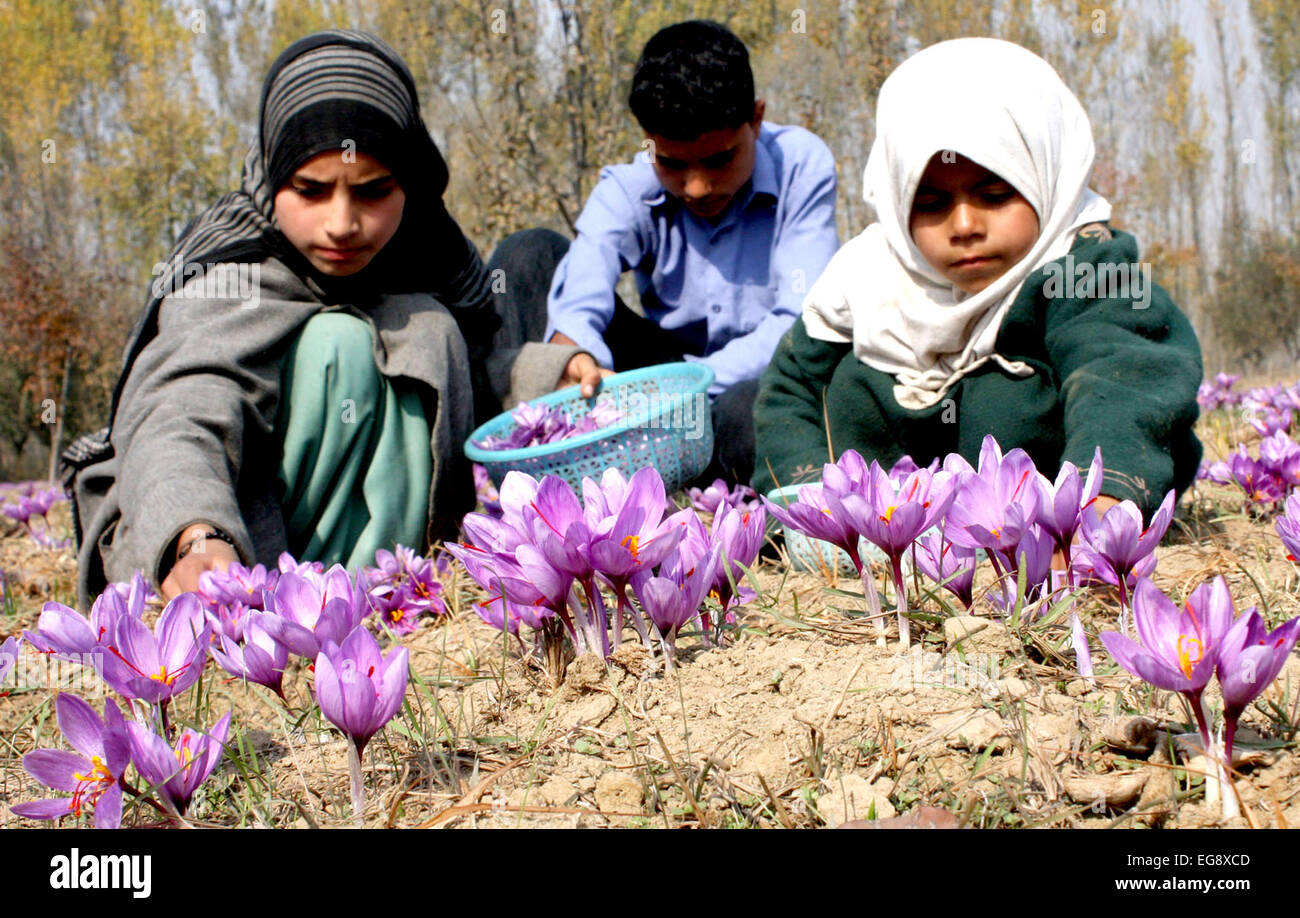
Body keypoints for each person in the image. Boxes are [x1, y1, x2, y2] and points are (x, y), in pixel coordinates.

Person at [64, 30, 575, 607]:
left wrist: (548, 373)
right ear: (273, 177)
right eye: (310, 190)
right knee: (340, 342)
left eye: (373, 190)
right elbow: (180, 410)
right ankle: (299, 606)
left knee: (426, 326)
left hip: (389, 573)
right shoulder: (233, 273)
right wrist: (195, 531)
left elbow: (478, 372)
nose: (341, 223)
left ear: (408, 182)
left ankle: (377, 592)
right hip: (230, 553)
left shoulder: (425, 257)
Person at [753, 38, 1202, 519]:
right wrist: (807, 506)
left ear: (1046, 177)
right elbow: (790, 392)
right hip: (888, 531)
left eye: (994, 194)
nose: (965, 225)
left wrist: (1098, 510)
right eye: (930, 204)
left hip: (1045, 522)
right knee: (847, 377)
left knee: (1007, 395)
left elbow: (1124, 379)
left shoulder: (1085, 268)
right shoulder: (865, 278)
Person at [485, 19, 840, 484]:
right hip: (651, 391)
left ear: (755, 119)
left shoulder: (800, 165)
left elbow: (799, 319)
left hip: (748, 391)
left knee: (752, 406)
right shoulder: (629, 188)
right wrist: (576, 359)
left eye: (719, 160)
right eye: (671, 164)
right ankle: (542, 479)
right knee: (528, 256)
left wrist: (677, 389)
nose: (696, 187)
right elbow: (581, 291)